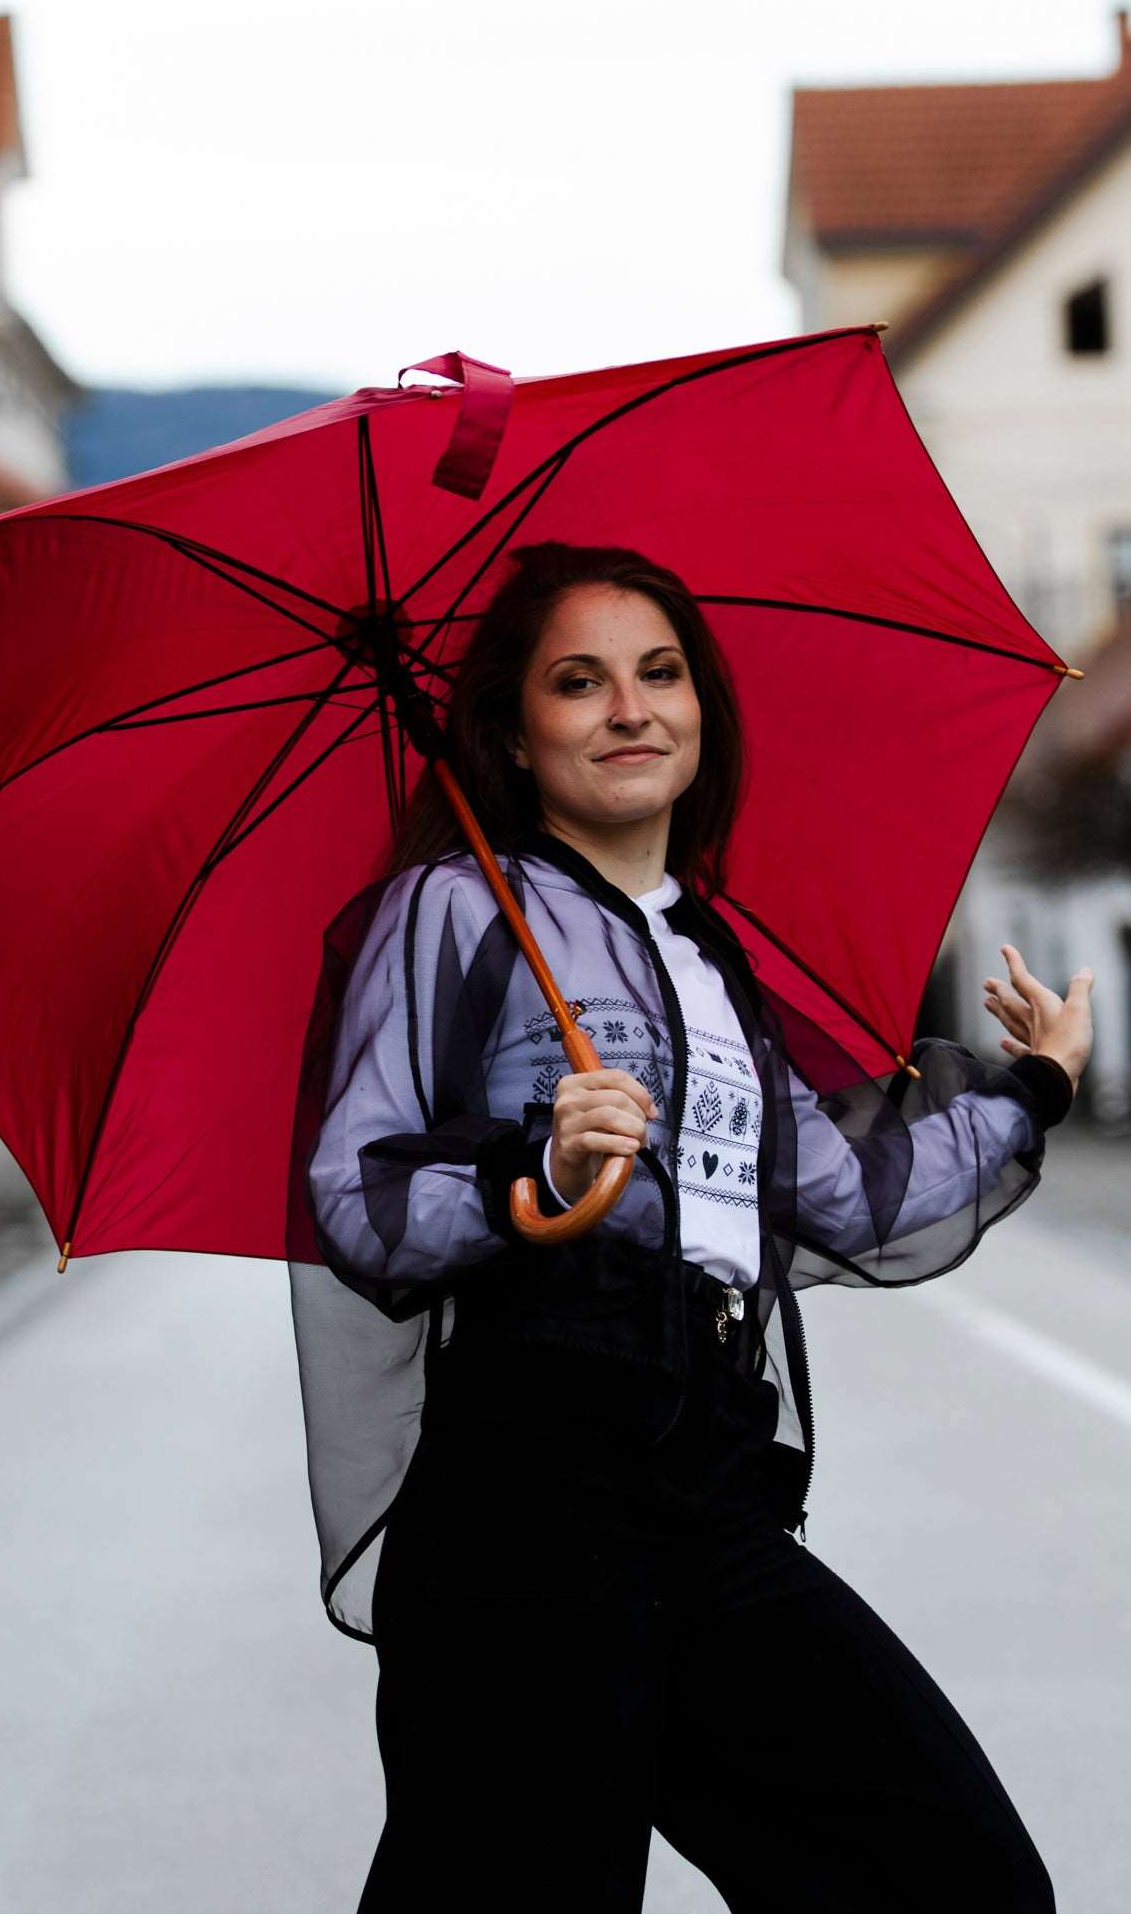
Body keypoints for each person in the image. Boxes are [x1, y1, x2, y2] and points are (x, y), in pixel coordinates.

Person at [287, 540, 1094, 1912]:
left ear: (702, 707)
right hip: (524, 1496)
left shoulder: (709, 954)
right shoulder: (451, 911)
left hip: (706, 1480)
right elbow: (355, 1198)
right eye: (578, 682)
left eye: (658, 673)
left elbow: (833, 1195)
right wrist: (524, 1173)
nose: (628, 710)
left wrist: (1032, 1087)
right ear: (514, 732)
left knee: (947, 1870)